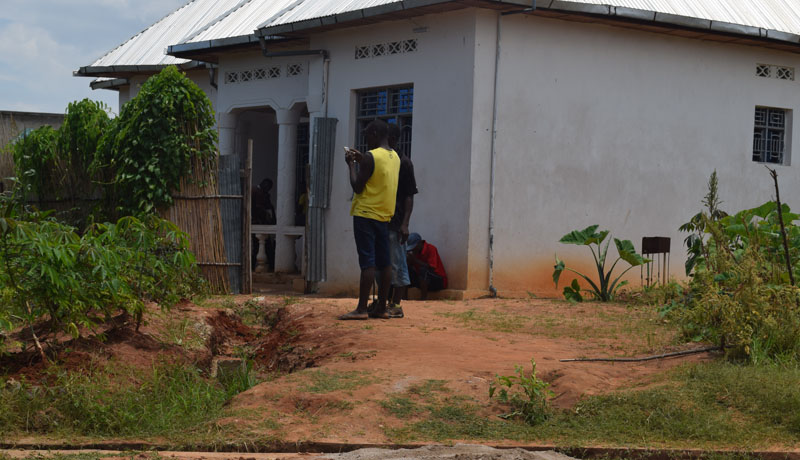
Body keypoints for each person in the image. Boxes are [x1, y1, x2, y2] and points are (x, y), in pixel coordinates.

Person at [339, 119, 400, 320]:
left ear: (374, 133)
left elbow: (357, 186)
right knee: (385, 263)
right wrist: (362, 159)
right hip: (384, 215)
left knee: (367, 263)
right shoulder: (395, 157)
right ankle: (382, 307)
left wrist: (351, 165)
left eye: (366, 134)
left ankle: (361, 309)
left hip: (365, 214)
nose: (365, 138)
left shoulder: (371, 156)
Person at [384, 123, 417, 318]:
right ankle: (383, 302)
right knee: (383, 265)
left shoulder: (404, 163)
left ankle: (396, 304)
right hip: (380, 219)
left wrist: (405, 223)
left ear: (393, 139)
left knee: (397, 264)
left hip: (395, 222)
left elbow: (409, 195)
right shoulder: (382, 160)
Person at [406, 233, 447, 300]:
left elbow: (431, 268)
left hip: (438, 281)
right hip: (423, 281)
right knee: (406, 270)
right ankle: (404, 298)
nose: (413, 250)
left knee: (423, 270)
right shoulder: (414, 253)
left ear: (420, 243)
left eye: (414, 247)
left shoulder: (431, 248)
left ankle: (423, 298)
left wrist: (415, 260)